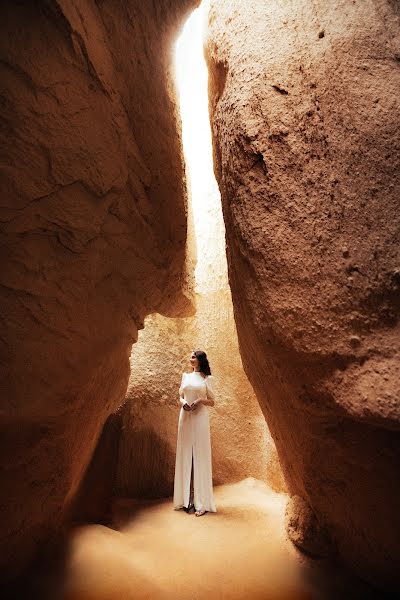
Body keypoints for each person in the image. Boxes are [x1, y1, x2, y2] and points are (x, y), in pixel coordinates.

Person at [173, 349, 217, 517]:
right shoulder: (185, 376)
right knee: (185, 454)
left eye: (193, 357)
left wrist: (199, 401)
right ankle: (185, 500)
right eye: (191, 357)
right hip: (185, 416)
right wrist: (184, 402)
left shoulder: (207, 378)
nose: (191, 359)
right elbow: (180, 395)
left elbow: (212, 401)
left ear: (200, 360)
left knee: (200, 456)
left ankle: (202, 502)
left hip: (200, 418)